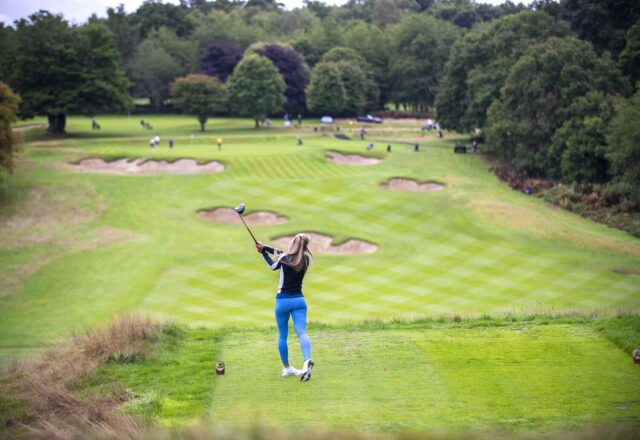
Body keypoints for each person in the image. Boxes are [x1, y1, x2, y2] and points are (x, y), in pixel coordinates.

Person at [256, 234, 315, 382]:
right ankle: (307, 360)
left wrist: (263, 253)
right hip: (299, 301)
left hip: (282, 301)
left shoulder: (284, 258)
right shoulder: (305, 259)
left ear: (293, 244)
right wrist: (266, 247)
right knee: (302, 332)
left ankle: (287, 368)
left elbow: (272, 265)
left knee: (283, 335)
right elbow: (283, 253)